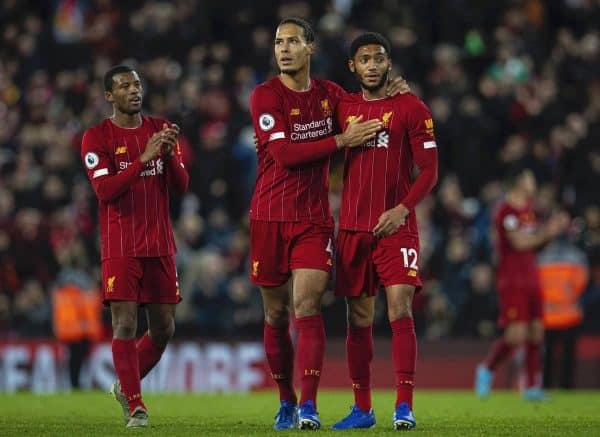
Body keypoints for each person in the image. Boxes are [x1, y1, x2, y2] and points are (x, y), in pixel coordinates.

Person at [249, 18, 408, 430]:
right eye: (278, 41)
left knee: (307, 305)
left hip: (314, 220)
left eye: (293, 41)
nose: (283, 49)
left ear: (310, 48)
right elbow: (283, 155)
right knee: (276, 314)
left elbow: (367, 110)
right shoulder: (264, 96)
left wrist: (395, 95)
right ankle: (285, 399)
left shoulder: (331, 96)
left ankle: (308, 406)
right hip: (268, 216)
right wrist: (340, 141)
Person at [330, 32, 438, 430]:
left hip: (397, 226)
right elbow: (305, 124)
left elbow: (429, 171)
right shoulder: (342, 106)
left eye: (379, 58)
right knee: (358, 318)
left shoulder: (412, 107)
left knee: (400, 309)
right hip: (353, 229)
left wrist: (402, 209)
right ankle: (363, 409)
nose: (372, 65)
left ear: (389, 64)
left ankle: (404, 406)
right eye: (364, 59)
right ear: (352, 67)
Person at [80, 65, 189, 428]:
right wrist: (143, 159)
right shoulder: (96, 137)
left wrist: (170, 156)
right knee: (124, 324)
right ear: (109, 96)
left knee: (164, 329)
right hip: (121, 245)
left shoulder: (160, 129)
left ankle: (124, 386)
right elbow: (105, 191)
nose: (133, 90)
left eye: (137, 84)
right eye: (124, 86)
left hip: (159, 244)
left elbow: (182, 186)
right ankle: (136, 405)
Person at [475, 168, 569, 400]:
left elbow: (534, 245)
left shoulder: (529, 210)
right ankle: (486, 369)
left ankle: (531, 387)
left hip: (532, 276)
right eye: (530, 178)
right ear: (518, 182)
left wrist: (550, 234)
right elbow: (519, 243)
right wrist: (549, 231)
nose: (533, 183)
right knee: (516, 335)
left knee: (536, 331)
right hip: (512, 279)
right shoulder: (505, 210)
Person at [538, 235, 588, 389]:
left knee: (550, 355)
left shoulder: (541, 257)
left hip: (550, 314)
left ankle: (547, 386)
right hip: (567, 313)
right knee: (566, 355)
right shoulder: (577, 256)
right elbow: (581, 283)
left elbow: (536, 285)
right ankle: (565, 386)